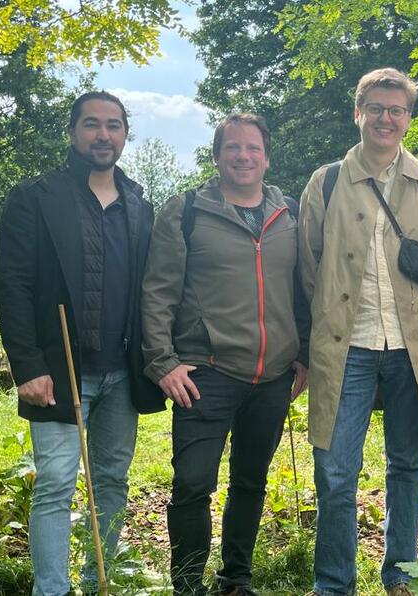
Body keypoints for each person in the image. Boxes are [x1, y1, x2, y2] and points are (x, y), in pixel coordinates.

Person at [0, 91, 165, 596]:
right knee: (55, 484)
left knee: (112, 481)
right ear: (73, 132)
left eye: (114, 126)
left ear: (125, 135)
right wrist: (27, 365)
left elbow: (150, 288)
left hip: (122, 374)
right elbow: (13, 285)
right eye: (92, 124)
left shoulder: (139, 203)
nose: (103, 135)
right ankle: (51, 589)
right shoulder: (35, 197)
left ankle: (99, 581)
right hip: (58, 370)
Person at [140, 113, 310, 596]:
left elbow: (303, 289)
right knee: (193, 484)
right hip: (206, 372)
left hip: (274, 374)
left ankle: (236, 578)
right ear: (216, 156)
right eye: (232, 148)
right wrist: (162, 361)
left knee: (251, 483)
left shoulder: (291, 213)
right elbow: (158, 292)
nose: (243, 156)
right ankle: (188, 585)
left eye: (252, 148)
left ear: (267, 157)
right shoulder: (186, 211)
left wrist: (305, 352)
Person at [297, 67, 418, 596]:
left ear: (409, 117)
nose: (387, 118)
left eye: (398, 109)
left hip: (415, 347)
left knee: (409, 465)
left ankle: (401, 577)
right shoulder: (327, 181)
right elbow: (308, 267)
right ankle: (334, 584)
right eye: (377, 108)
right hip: (346, 347)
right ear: (358, 111)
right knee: (335, 471)